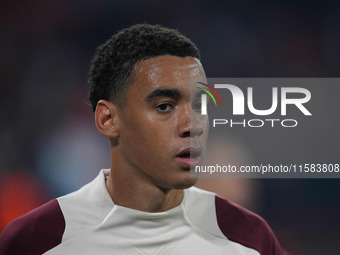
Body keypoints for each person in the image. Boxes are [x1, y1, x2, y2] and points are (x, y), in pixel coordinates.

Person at [0, 24, 283, 255]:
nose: (192, 125)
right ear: (108, 120)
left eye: (199, 106)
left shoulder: (251, 239)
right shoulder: (38, 240)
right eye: (164, 106)